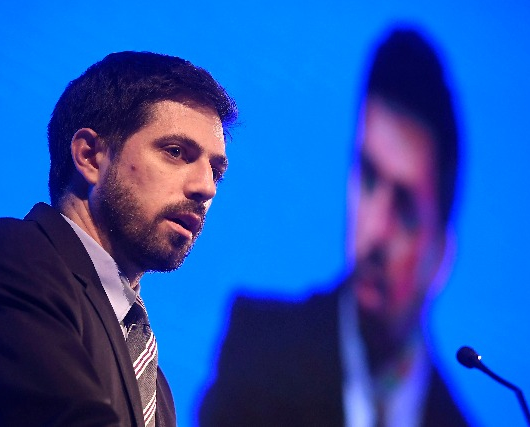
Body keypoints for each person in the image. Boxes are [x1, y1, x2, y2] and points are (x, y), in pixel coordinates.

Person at [0, 51, 237, 427]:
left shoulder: (154, 384)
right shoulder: (7, 259)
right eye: (176, 152)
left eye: (215, 171)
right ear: (90, 156)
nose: (206, 188)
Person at [200, 27, 470, 426]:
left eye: (405, 209)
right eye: (369, 179)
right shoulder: (259, 351)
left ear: (442, 256)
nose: (375, 230)